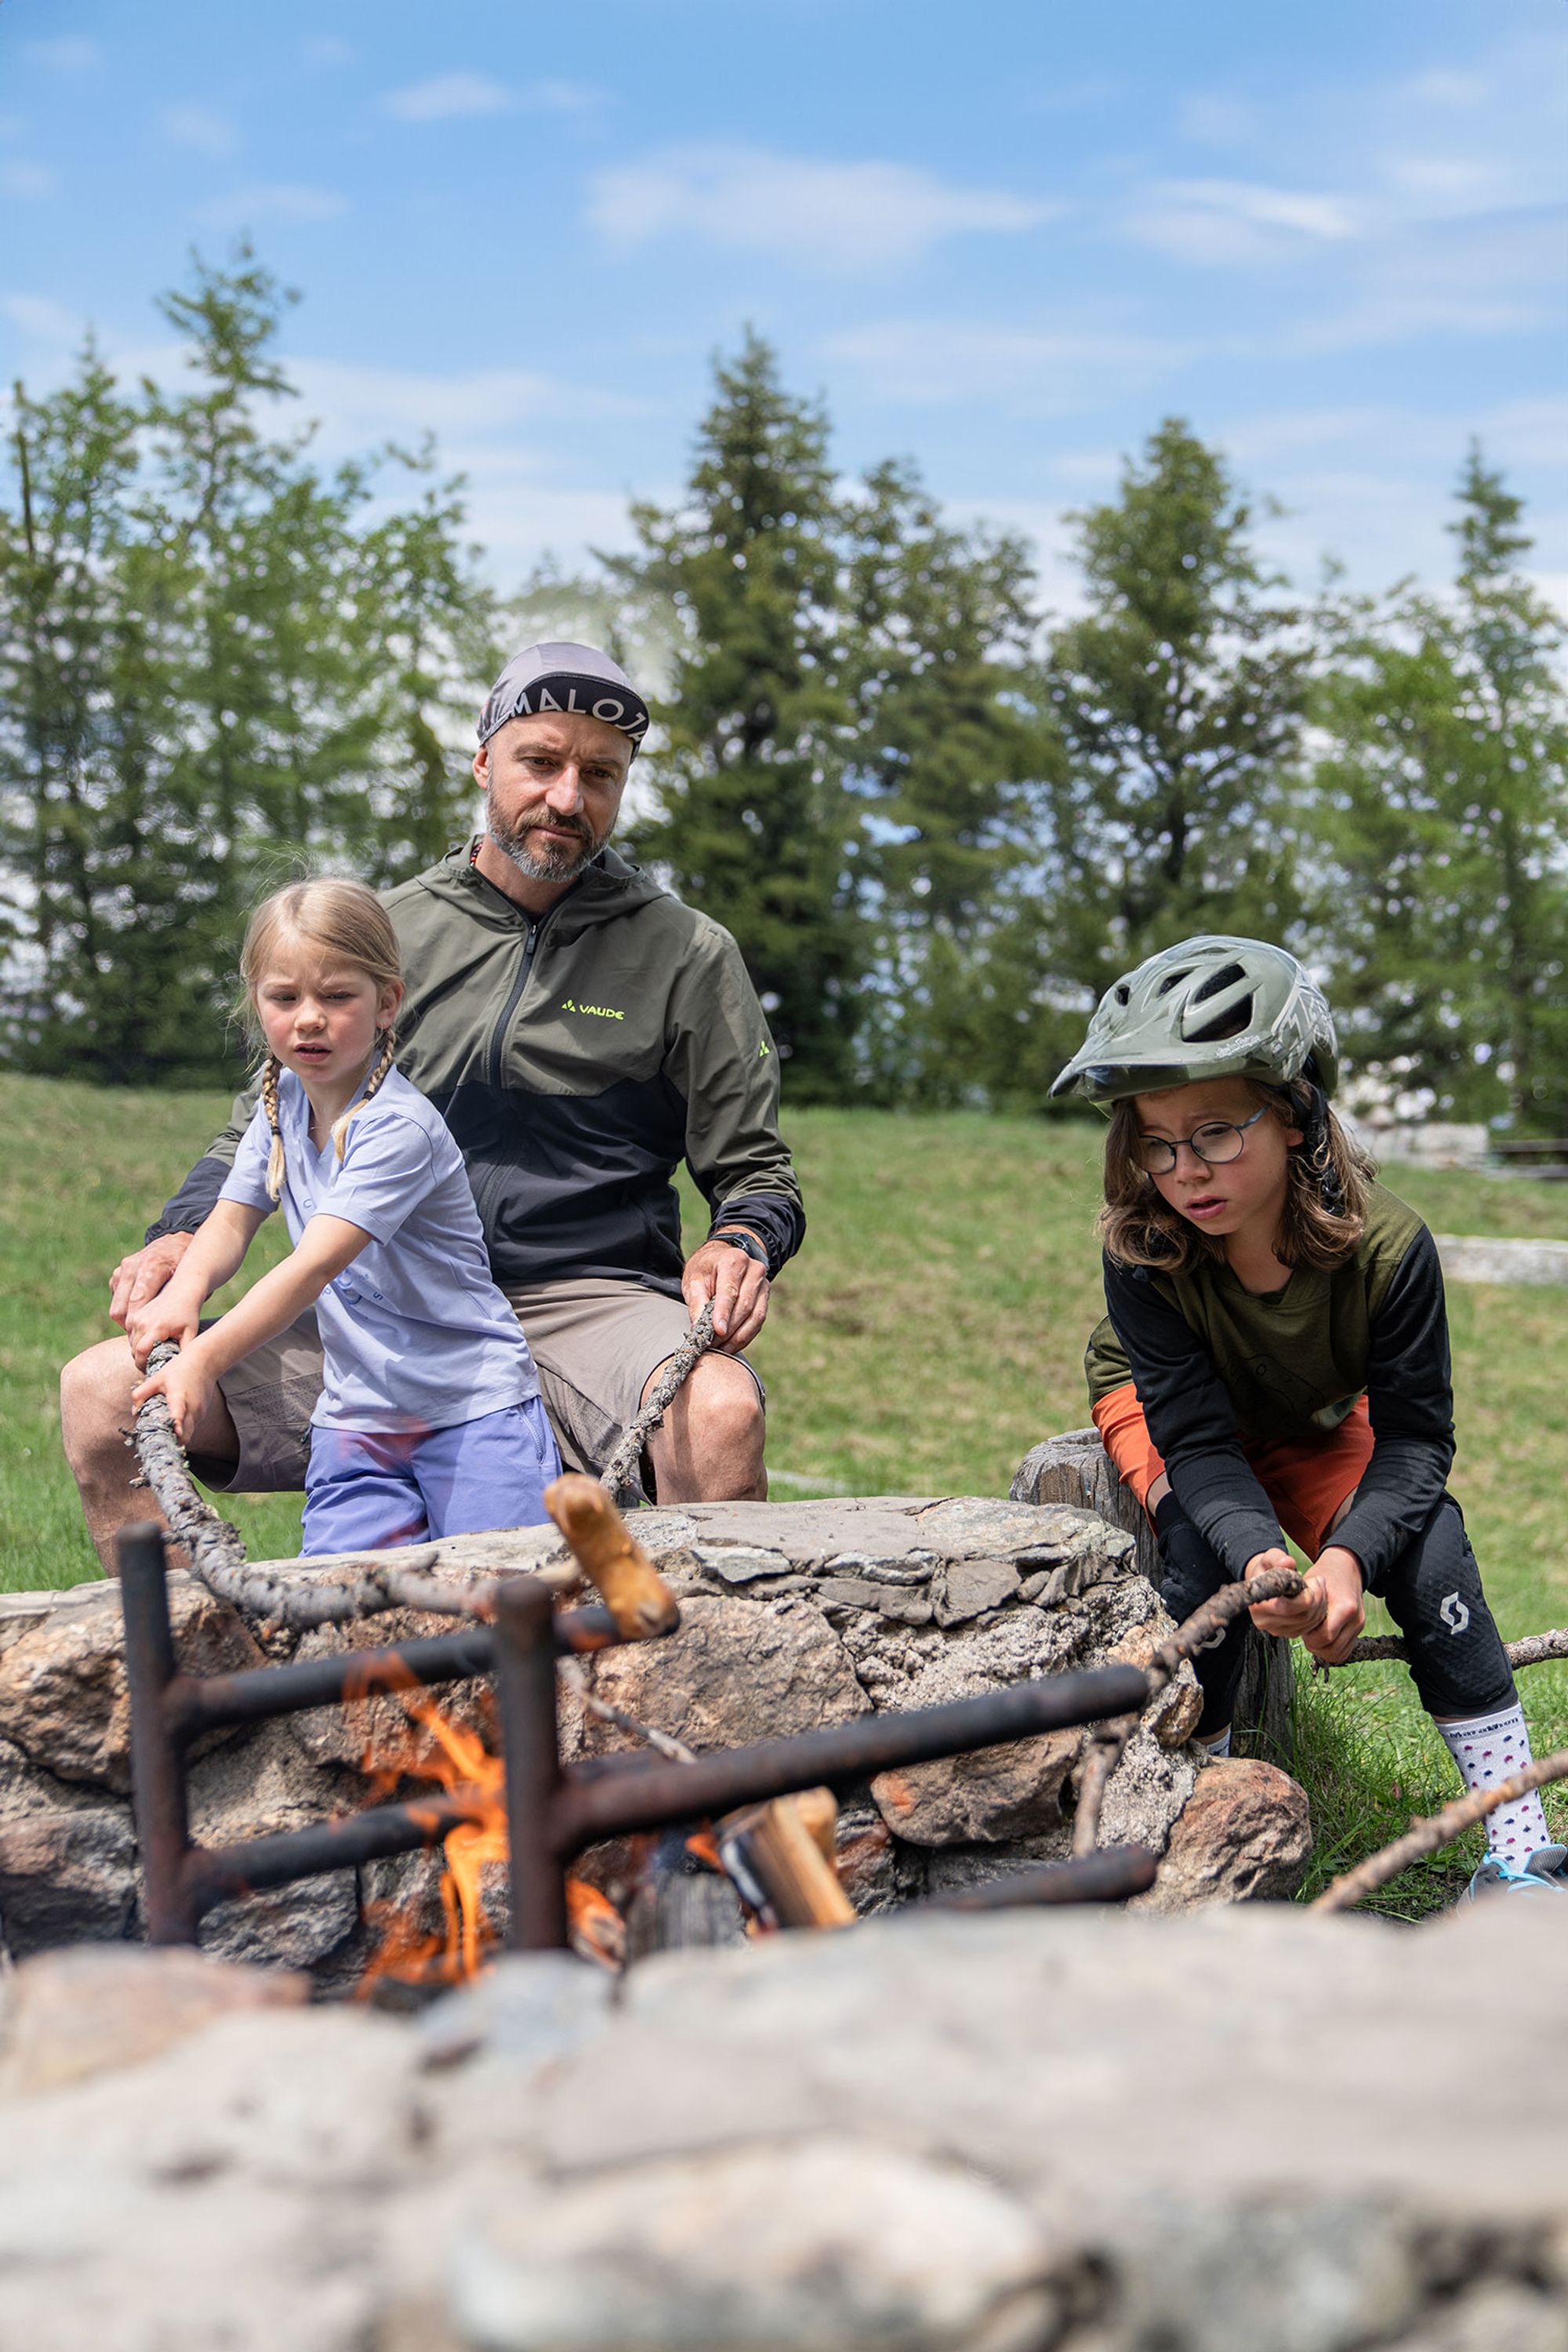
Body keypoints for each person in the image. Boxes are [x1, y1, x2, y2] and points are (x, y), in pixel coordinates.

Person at [61, 641, 803, 1567]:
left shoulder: (687, 953)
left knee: (720, 1411)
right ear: (484, 759)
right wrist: (180, 1234)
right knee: (102, 1394)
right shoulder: (390, 932)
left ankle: (699, 1695)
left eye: (599, 775)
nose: (568, 799)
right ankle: (220, 1695)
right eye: (541, 762)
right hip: (378, 1306)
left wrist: (742, 1243)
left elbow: (758, 1174)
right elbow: (265, 1120)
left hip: (588, 1300)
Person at [1051, 933, 1564, 1900]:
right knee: (1207, 1564)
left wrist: (1341, 1564)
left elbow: (1414, 1441)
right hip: (1170, 1405)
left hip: (1306, 1411)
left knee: (1430, 1550)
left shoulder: (1389, 1249)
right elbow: (1197, 1442)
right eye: (1154, 1142)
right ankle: (1202, 1811)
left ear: (1293, 1114)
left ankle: (1519, 1853)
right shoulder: (1141, 1252)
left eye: (1213, 1132)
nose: (1183, 1169)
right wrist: (1260, 1558)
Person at [128, 879, 561, 1551]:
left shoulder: (397, 1127)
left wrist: (203, 1360)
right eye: (284, 997)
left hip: (472, 1410)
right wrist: (183, 1295)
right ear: (257, 1004)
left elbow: (311, 1267)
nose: (308, 1018)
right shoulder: (281, 1108)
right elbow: (232, 1220)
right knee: (346, 1611)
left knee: (502, 1600)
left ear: (388, 1001)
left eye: (336, 996)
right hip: (357, 1417)